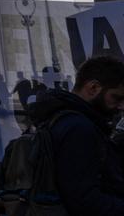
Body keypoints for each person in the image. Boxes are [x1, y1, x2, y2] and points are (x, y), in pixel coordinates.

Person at [29, 55, 124, 213]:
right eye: (116, 97)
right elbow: (83, 200)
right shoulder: (78, 128)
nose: (120, 106)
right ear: (93, 88)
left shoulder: (59, 118)